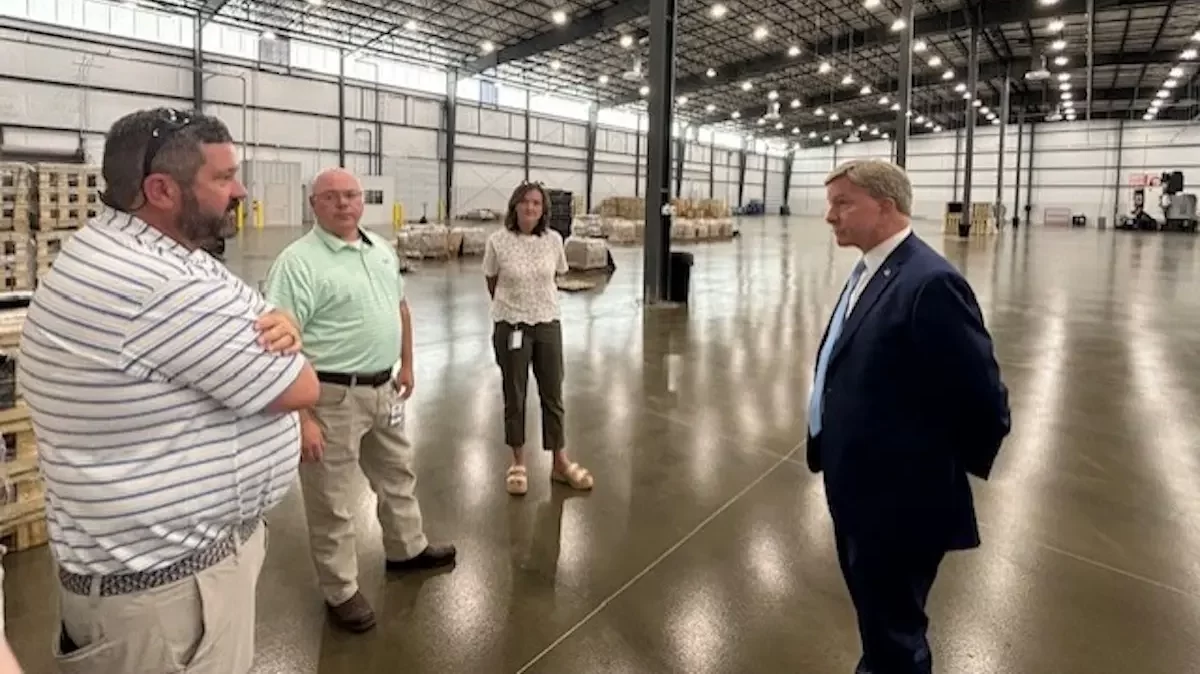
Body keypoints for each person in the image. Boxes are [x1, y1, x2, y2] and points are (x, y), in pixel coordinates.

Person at [18, 108, 319, 673]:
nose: (241, 191)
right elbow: (299, 385)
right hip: (169, 605)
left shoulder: (131, 249)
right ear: (160, 189)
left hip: (164, 581)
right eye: (223, 177)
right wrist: (283, 332)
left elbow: (258, 317)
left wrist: (279, 321)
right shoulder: (157, 284)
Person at [806, 159, 1011, 674]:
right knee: (878, 620)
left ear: (887, 205)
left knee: (897, 630)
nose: (830, 216)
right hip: (858, 486)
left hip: (897, 501)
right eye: (831, 204)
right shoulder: (871, 270)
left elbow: (985, 400)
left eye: (843, 203)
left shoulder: (930, 283)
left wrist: (925, 470)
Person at [263, 168, 455, 634]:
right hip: (329, 396)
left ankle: (406, 548)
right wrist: (303, 418)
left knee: (397, 474)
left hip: (382, 387)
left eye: (351, 195)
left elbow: (401, 309)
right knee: (331, 499)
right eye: (332, 197)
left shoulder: (379, 249)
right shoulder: (298, 262)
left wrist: (406, 365)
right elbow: (280, 343)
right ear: (314, 205)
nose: (344, 204)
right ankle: (341, 590)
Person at [483, 182, 593, 496]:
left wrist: (534, 301)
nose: (530, 208)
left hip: (547, 323)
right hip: (510, 325)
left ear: (543, 209)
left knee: (553, 393)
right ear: (514, 206)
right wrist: (512, 306)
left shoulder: (554, 240)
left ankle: (560, 461)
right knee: (514, 395)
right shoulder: (498, 241)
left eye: (536, 203)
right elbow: (491, 280)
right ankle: (518, 462)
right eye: (525, 202)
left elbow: (556, 275)